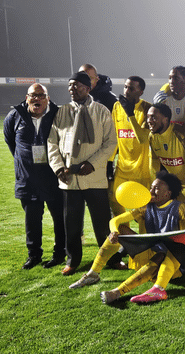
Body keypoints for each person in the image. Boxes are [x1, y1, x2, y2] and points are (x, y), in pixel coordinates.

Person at [47, 71, 117, 276]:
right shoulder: (62, 111)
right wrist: (58, 167)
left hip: (94, 176)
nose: (72, 89)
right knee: (72, 223)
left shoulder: (102, 111)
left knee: (102, 223)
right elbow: (52, 142)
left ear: (88, 88)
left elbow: (111, 143)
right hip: (69, 177)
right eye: (70, 85)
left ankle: (111, 258)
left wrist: (93, 164)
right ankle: (73, 260)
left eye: (77, 85)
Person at [98, 171, 185, 304]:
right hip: (150, 251)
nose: (151, 191)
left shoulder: (180, 208)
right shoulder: (146, 206)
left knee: (168, 251)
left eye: (156, 188)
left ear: (168, 194)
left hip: (171, 261)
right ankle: (93, 272)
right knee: (120, 230)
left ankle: (118, 292)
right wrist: (114, 232)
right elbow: (115, 221)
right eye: (151, 187)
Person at [4, 83, 65, 270]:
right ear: (26, 97)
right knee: (32, 221)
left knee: (60, 219)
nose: (36, 99)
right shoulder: (14, 116)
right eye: (33, 95)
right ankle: (34, 255)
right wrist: (25, 162)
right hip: (28, 179)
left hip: (54, 177)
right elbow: (11, 143)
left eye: (41, 95)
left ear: (47, 98)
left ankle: (60, 254)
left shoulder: (58, 113)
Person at [147, 103, 185, 227]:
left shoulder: (180, 134)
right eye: (148, 117)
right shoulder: (152, 137)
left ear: (165, 119)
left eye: (153, 117)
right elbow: (154, 164)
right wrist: (154, 190)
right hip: (177, 184)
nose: (149, 121)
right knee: (178, 218)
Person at [108, 76, 153, 221]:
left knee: (143, 211)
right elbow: (114, 136)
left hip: (142, 169)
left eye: (131, 88)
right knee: (114, 200)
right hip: (123, 166)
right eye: (125, 87)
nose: (127, 91)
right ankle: (125, 238)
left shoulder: (147, 108)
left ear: (140, 92)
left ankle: (145, 242)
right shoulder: (117, 107)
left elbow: (143, 138)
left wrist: (131, 114)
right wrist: (109, 161)